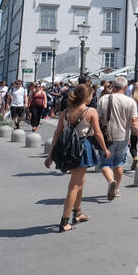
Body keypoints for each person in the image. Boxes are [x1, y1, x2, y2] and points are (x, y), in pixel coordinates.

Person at [45, 85, 108, 232]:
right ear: (86, 97)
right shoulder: (90, 111)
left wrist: (50, 155)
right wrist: (105, 149)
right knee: (74, 185)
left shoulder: (65, 112)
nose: (92, 98)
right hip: (82, 147)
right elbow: (98, 133)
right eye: (91, 95)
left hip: (67, 147)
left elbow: (57, 133)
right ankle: (64, 221)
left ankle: (78, 213)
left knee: (80, 181)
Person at [97, 80, 138, 201]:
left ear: (113, 86)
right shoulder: (130, 101)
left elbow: (99, 119)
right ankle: (116, 188)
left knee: (105, 163)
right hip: (123, 136)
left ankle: (111, 181)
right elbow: (134, 121)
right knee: (119, 163)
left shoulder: (104, 99)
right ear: (126, 87)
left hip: (107, 137)